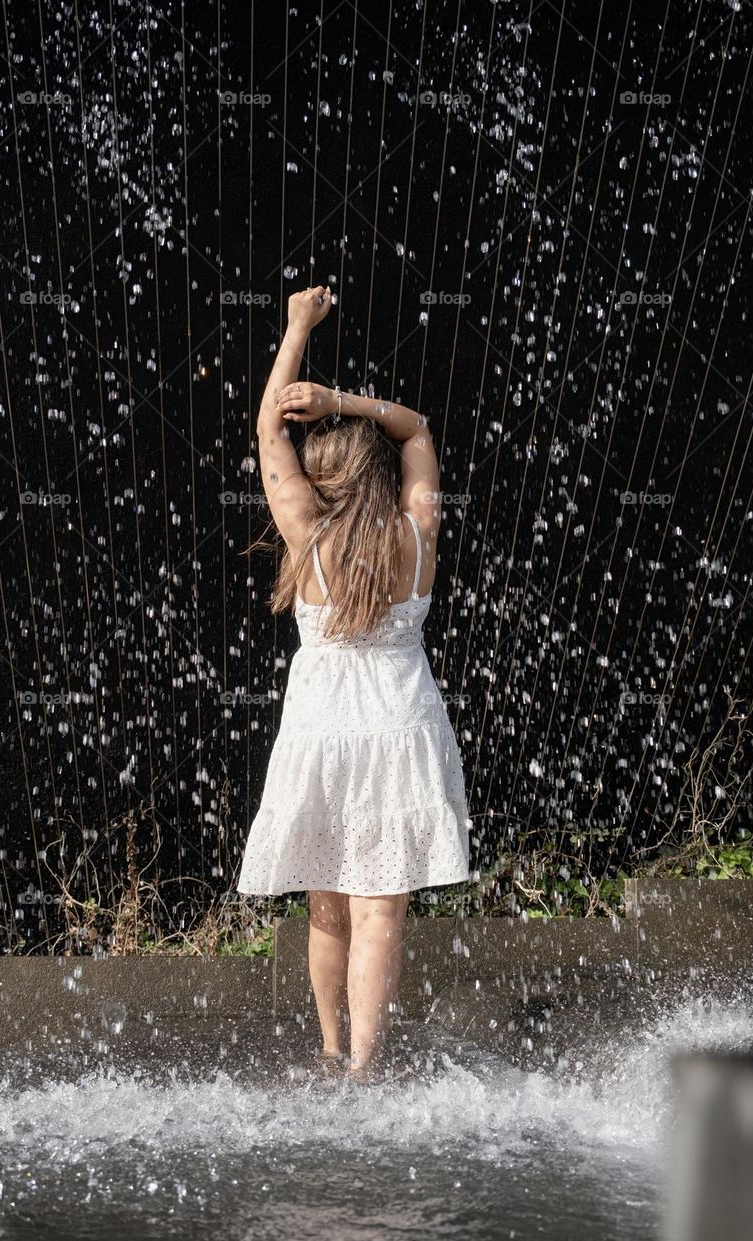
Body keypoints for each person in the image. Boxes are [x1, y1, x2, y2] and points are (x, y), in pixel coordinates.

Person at [236, 284, 471, 1084]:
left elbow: (268, 425)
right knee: (381, 912)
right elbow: (417, 428)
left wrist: (298, 329)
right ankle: (369, 1069)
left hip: (321, 734)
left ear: (317, 476)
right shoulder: (418, 531)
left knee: (327, 906)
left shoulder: (306, 535)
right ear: (379, 473)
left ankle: (331, 1053)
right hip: (402, 729)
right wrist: (346, 402)